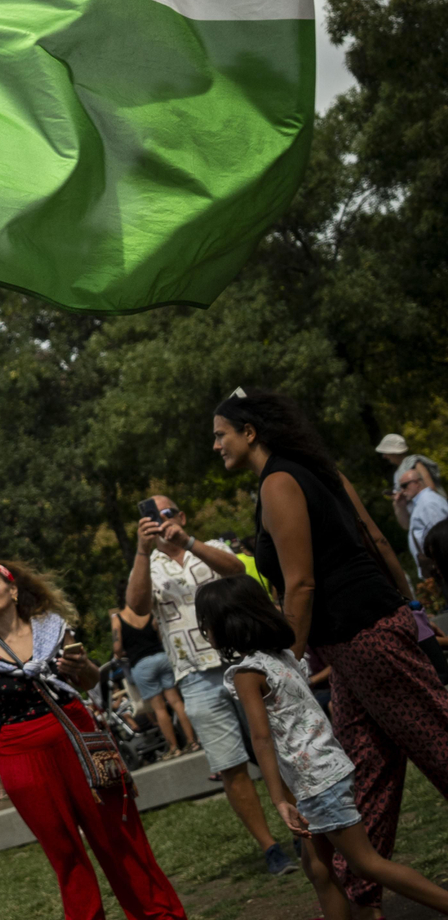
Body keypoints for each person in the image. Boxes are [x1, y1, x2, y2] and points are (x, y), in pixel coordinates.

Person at [216, 389, 448, 917]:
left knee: (438, 740)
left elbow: (300, 584)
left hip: (364, 635)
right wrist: (409, 608)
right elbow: (376, 540)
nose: (215, 445)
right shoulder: (319, 470)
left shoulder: (279, 480)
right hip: (355, 640)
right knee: (363, 770)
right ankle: (356, 895)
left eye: (220, 433)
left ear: (250, 432)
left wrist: (288, 663)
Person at [198, 574, 448, 918]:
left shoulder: (247, 673)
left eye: (204, 622)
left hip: (316, 784)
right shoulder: (281, 656)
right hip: (329, 770)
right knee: (317, 868)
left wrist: (278, 799)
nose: (204, 630)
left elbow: (262, 738)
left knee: (367, 864)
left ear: (223, 624)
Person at [0, 558, 185, 919]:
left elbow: (92, 680)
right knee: (65, 855)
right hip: (22, 754)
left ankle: (160, 915)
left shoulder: (51, 627)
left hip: (78, 738)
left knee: (118, 838)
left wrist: (81, 668)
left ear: (13, 589)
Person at [127, 492, 293, 875]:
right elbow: (136, 608)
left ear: (181, 516)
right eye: (154, 517)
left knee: (277, 745)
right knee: (230, 764)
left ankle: (301, 828)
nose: (162, 520)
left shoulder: (209, 547)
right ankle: (271, 848)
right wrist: (141, 549)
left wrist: (186, 542)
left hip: (243, 661)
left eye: (167, 513)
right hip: (194, 677)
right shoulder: (147, 564)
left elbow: (236, 570)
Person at [109, 603, 197, 758]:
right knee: (176, 702)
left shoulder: (118, 618)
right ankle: (192, 741)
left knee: (159, 709)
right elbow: (160, 634)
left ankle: (173, 747)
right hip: (162, 657)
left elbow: (117, 648)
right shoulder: (148, 612)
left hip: (141, 665)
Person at [389, 441, 448, 581]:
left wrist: (442, 570)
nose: (402, 490)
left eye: (404, 485)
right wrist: (400, 506)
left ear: (418, 482)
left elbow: (442, 540)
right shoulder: (420, 504)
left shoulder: (428, 503)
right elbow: (405, 525)